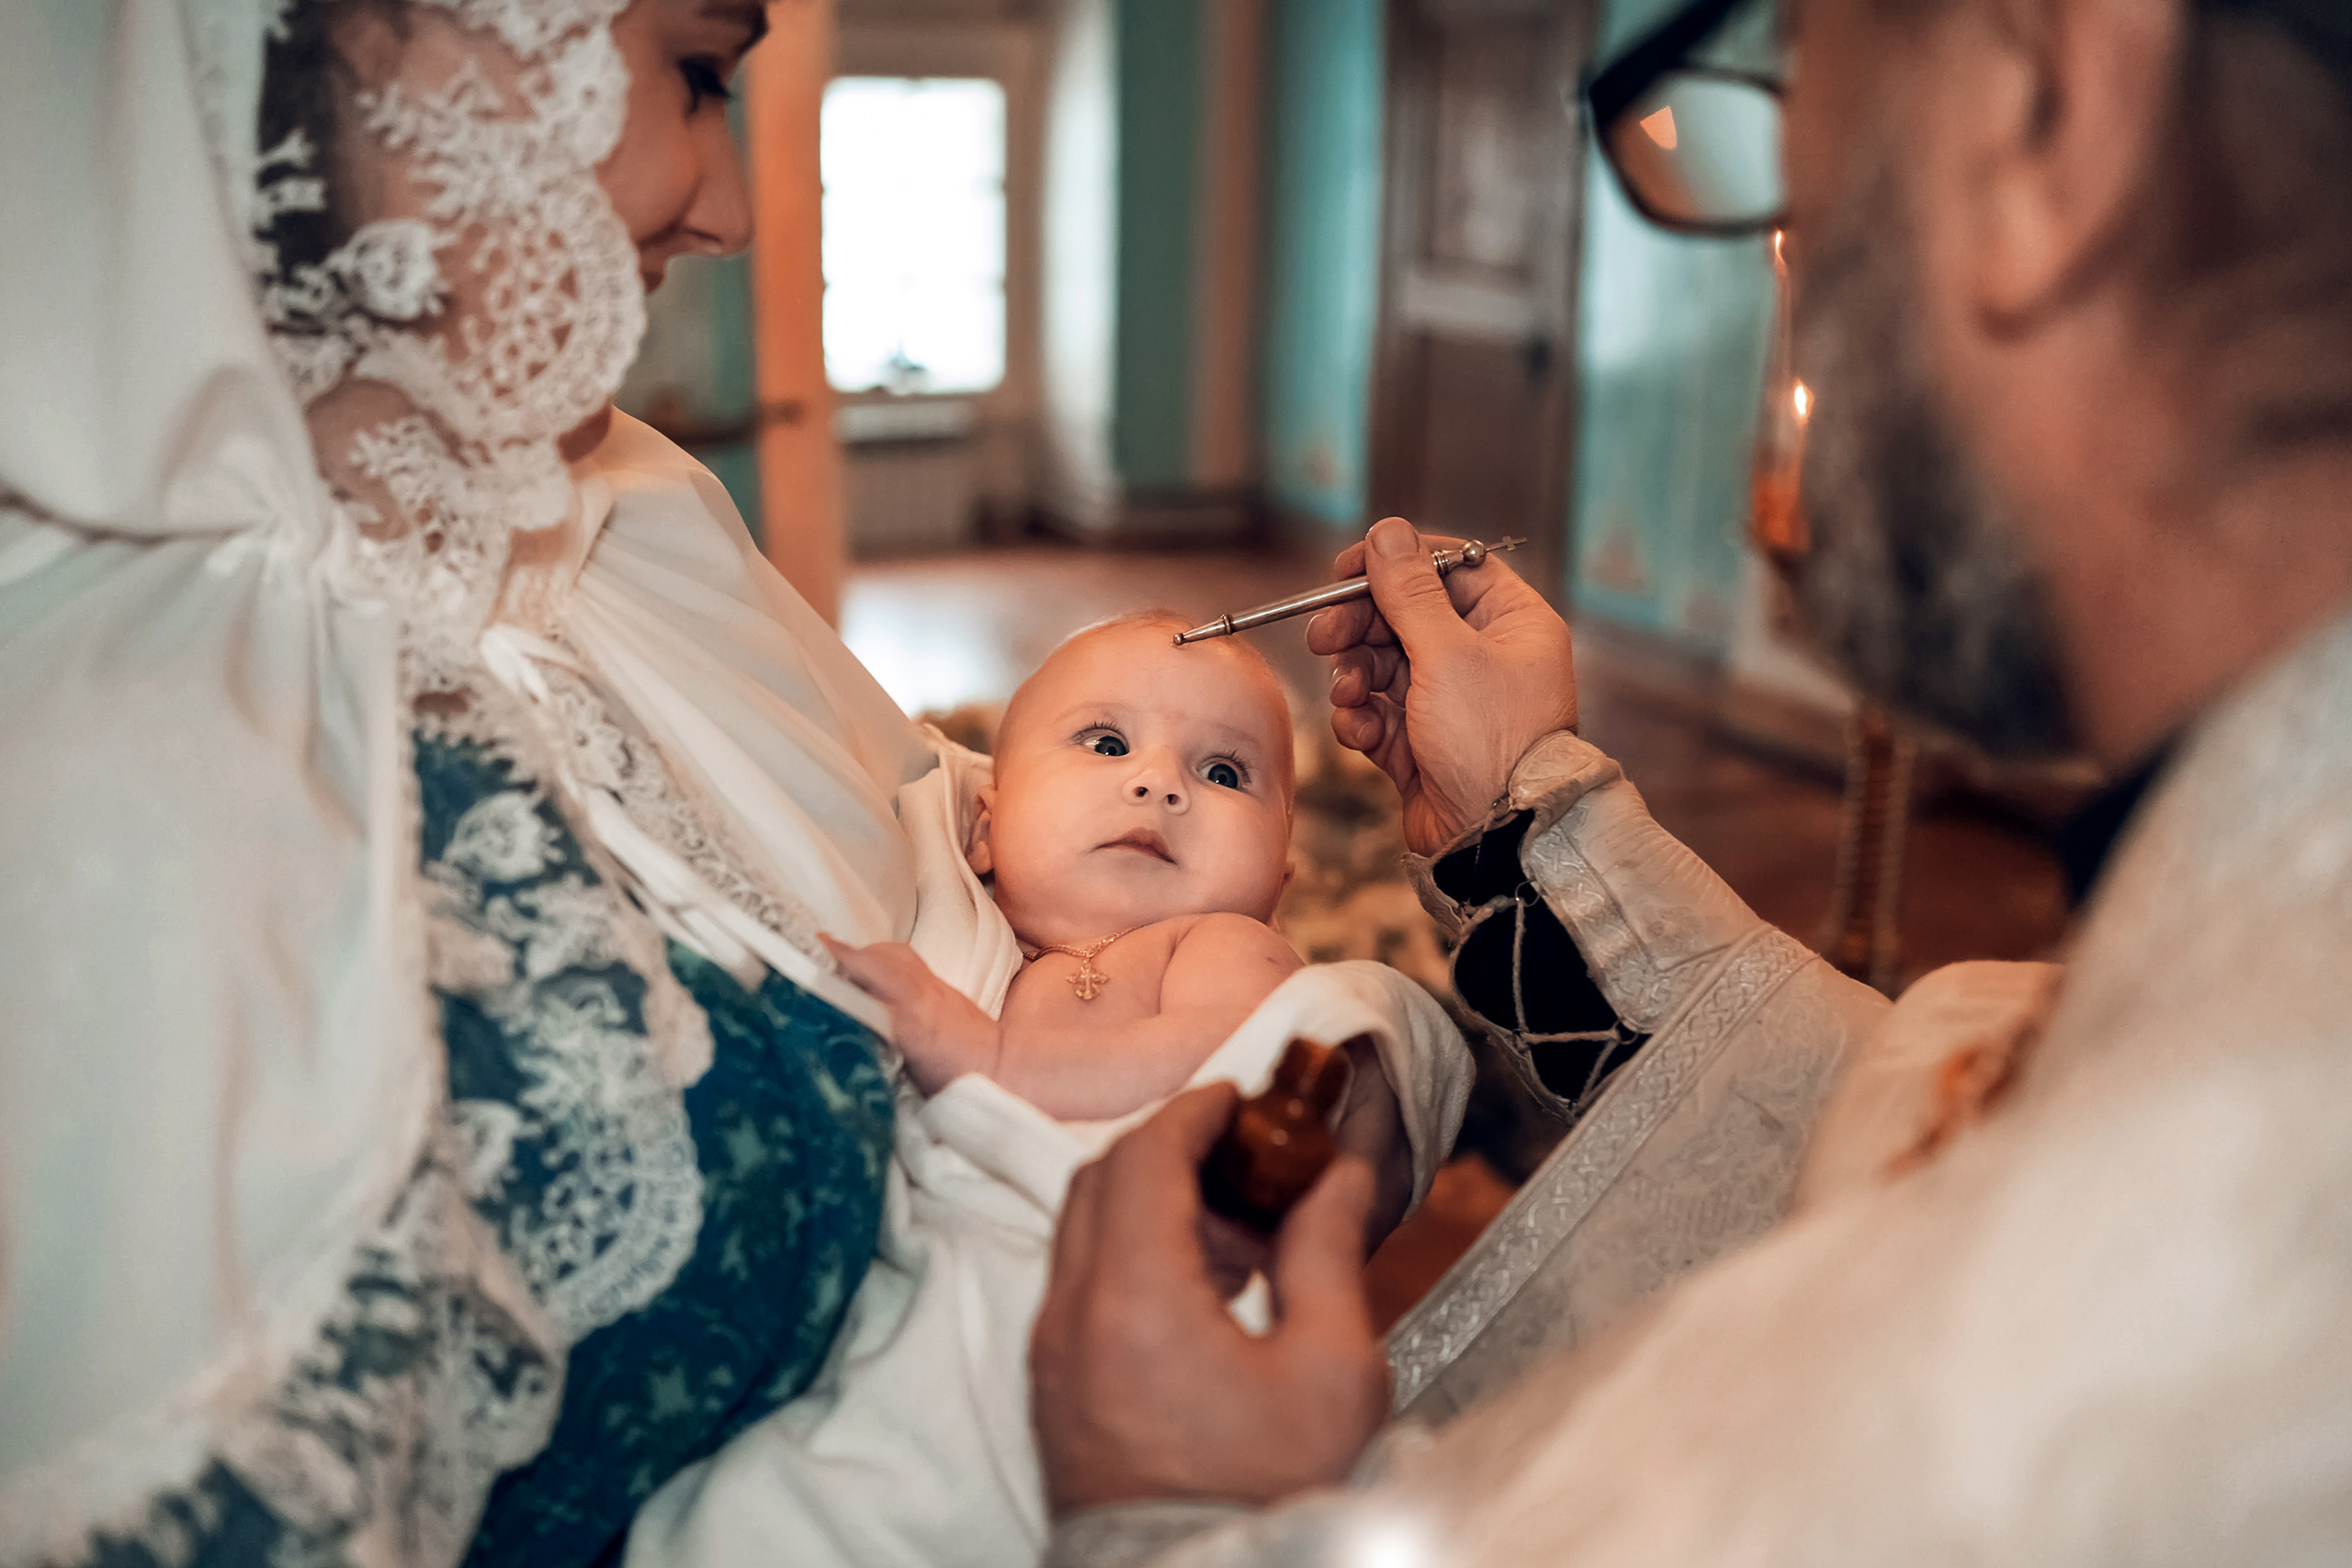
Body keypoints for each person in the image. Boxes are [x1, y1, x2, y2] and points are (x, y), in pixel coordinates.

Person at [1026, 0, 2352, 1560]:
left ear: (2045, 110)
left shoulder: (2192, 1274)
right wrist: (1514, 813)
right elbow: (1873, 1115)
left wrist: (1160, 1498)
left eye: (1799, 92)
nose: (1782, 243)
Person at [1, 4, 943, 1565]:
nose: (733, 212)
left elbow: (890, 802)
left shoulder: (567, 498)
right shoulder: (101, 817)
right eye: (697, 74)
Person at [621, 615, 1467, 1568]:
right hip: (936, 1295)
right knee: (765, 1511)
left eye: (1223, 773)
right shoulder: (977, 938)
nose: (1158, 783)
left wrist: (979, 1060)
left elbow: (1217, 1062)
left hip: (1111, 1295)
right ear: (985, 829)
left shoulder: (1214, 945)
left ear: (1276, 879)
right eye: (1105, 742)